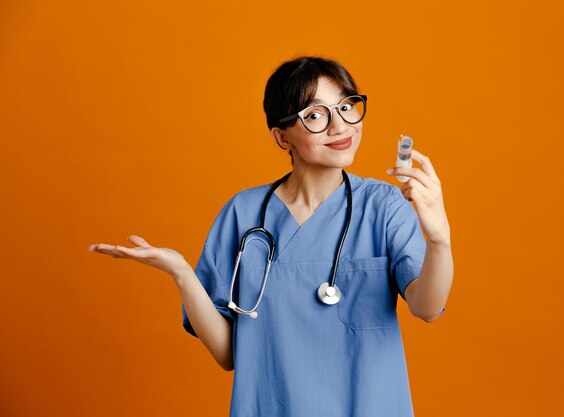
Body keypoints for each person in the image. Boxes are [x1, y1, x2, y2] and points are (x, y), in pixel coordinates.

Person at [88, 56, 453, 417]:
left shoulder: (384, 205)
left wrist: (439, 239)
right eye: (314, 115)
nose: (340, 126)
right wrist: (182, 273)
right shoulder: (243, 214)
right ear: (282, 136)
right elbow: (230, 355)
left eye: (346, 107)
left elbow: (427, 307)